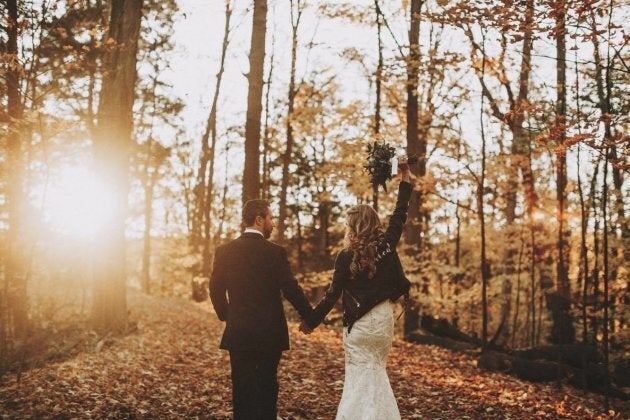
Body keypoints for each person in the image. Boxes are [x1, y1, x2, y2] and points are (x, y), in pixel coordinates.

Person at [300, 157, 412, 420]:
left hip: (359, 327)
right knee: (377, 374)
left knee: (359, 379)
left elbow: (332, 295)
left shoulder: (345, 256)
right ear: (373, 224)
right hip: (383, 323)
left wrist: (311, 321)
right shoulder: (386, 246)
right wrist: (405, 175)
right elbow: (400, 212)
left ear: (354, 227)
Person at [210, 199, 316, 420]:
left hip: (239, 331)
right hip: (270, 332)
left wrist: (228, 316)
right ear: (259, 219)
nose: (273, 223)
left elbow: (215, 289)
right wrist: (310, 316)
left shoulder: (224, 251)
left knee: (241, 388)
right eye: (271, 218)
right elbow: (290, 288)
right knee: (267, 387)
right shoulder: (275, 252)